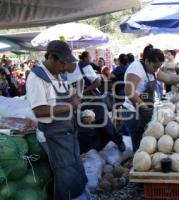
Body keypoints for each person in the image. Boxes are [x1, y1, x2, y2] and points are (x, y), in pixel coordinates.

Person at [26, 40, 90, 200]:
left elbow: (67, 102)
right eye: (63, 63)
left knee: (76, 169)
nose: (65, 67)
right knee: (65, 175)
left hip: (68, 133)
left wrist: (79, 110)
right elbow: (39, 111)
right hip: (53, 136)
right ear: (52, 58)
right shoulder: (36, 78)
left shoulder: (59, 76)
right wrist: (70, 106)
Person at [121, 46, 179, 152]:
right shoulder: (136, 68)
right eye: (155, 66)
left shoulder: (153, 69)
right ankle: (136, 165)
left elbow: (169, 79)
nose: (156, 69)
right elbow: (129, 92)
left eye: (159, 67)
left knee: (147, 144)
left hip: (144, 111)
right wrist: (145, 108)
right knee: (140, 146)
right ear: (147, 61)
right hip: (133, 112)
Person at [65, 51, 125, 153]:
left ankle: (119, 141)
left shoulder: (82, 66)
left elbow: (97, 82)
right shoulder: (63, 74)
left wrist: (83, 91)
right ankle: (96, 149)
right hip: (79, 106)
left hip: (94, 101)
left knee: (104, 124)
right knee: (85, 130)